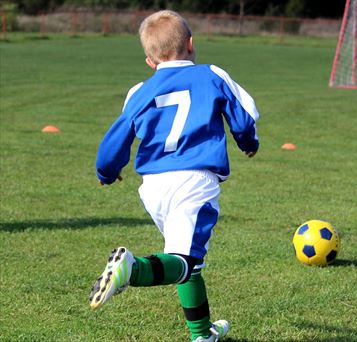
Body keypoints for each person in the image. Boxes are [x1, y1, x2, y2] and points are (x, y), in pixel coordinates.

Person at [89, 10, 260, 342]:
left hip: (152, 187)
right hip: (194, 181)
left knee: (188, 262)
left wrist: (107, 171)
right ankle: (131, 270)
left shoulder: (139, 91)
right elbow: (243, 116)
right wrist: (248, 143)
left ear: (150, 61)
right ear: (192, 44)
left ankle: (202, 333)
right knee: (185, 258)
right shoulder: (211, 74)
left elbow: (117, 137)